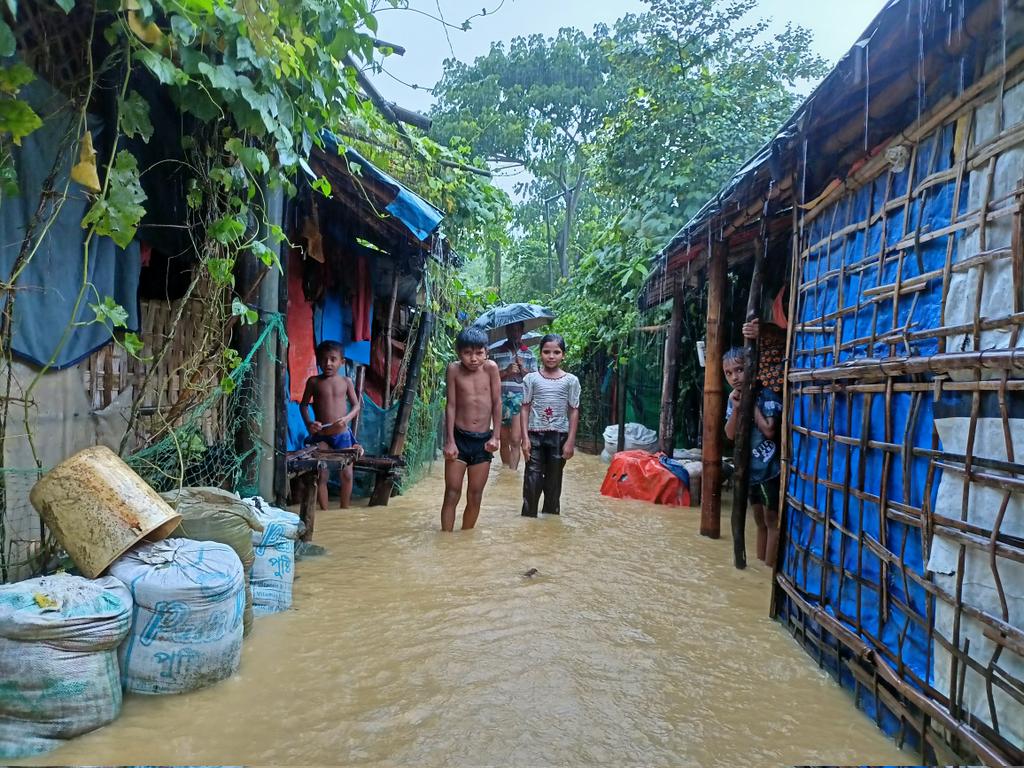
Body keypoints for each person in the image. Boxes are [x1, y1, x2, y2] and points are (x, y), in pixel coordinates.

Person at [723, 319, 783, 566]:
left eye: (739, 370)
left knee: (772, 522)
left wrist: (751, 406)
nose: (735, 377)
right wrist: (737, 408)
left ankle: (767, 572)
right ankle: (758, 568)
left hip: (769, 470)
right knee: (758, 521)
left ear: (751, 367)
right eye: (728, 373)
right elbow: (729, 434)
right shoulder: (733, 398)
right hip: (750, 472)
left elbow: (769, 430)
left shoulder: (766, 393)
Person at [441, 326, 502, 532]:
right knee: (451, 492)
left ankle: (465, 539)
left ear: (486, 352)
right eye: (467, 353)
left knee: (475, 495)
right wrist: (449, 440)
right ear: (459, 353)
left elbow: (497, 403)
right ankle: (446, 540)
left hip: (482, 441)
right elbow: (451, 405)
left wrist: (496, 437)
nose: (473, 359)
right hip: (458, 438)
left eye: (478, 353)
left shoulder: (491, 368)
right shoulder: (453, 369)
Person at [520, 334, 580, 517]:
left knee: (554, 480)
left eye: (556, 352)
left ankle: (551, 517)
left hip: (559, 436)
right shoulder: (531, 379)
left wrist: (570, 441)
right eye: (546, 352)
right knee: (532, 477)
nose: (551, 356)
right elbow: (525, 408)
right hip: (534, 435)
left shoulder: (571, 381)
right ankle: (529, 516)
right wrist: (524, 439)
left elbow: (574, 410)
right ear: (540, 354)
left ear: (564, 355)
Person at [300, 340, 362, 511]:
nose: (328, 363)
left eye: (333, 359)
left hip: (342, 435)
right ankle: (325, 512)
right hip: (322, 436)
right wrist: (309, 424)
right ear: (318, 361)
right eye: (324, 359)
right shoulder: (313, 382)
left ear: (342, 362)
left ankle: (344, 510)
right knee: (322, 475)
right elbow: (303, 405)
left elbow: (356, 406)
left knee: (347, 474)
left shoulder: (346, 381)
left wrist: (347, 418)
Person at [488, 321, 538, 470]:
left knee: (516, 440)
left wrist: (523, 370)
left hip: (520, 399)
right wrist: (506, 371)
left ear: (522, 332)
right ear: (507, 331)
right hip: (500, 399)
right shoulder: (495, 352)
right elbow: (488, 377)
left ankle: (512, 473)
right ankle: (506, 472)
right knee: (503, 439)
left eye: (518, 330)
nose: (515, 333)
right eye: (512, 330)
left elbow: (535, 380)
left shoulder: (529, 354)